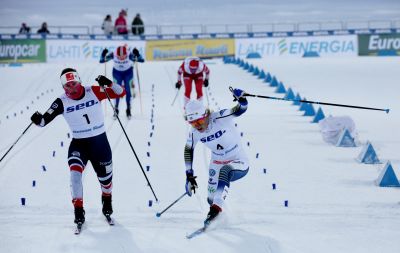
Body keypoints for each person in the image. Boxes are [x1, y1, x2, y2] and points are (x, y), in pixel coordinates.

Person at [30, 68, 126, 227]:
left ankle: (107, 199)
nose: (71, 88)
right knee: (75, 175)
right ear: (63, 87)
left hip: (100, 143)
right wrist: (37, 119)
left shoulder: (94, 91)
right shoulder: (61, 101)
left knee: (106, 180)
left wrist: (108, 83)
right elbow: (43, 122)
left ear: (79, 81)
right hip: (79, 144)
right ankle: (78, 210)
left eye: (73, 83)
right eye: (67, 86)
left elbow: (121, 92)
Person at [183, 88, 249, 225]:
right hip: (217, 163)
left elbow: (240, 109)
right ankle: (220, 214)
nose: (197, 126)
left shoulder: (220, 117)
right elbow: (188, 150)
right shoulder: (194, 132)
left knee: (225, 171)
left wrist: (242, 99)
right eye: (193, 123)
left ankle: (215, 210)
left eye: (199, 121)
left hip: (238, 161)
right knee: (211, 199)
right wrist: (189, 175)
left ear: (206, 114)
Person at [99, 45, 144, 119]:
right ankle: (116, 109)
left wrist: (138, 54)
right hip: (117, 73)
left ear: (126, 54)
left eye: (124, 56)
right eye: (120, 57)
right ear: (117, 54)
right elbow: (101, 60)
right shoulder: (113, 54)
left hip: (128, 72)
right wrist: (103, 54)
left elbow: (141, 60)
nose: (122, 58)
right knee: (117, 90)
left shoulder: (129, 54)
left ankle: (128, 109)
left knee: (128, 90)